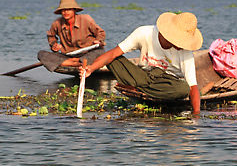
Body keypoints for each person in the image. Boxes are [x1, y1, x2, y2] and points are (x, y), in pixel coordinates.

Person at [67, 11, 203, 115]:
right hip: (143, 76)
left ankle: (137, 89)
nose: (182, 45)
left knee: (183, 89)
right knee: (113, 59)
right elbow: (113, 53)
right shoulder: (144, 33)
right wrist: (91, 69)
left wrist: (196, 114)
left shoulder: (185, 52)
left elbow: (193, 87)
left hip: (166, 83)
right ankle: (141, 88)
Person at [38, 0, 107, 67]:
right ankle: (75, 63)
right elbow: (51, 36)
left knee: (99, 52)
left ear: (74, 10)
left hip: (88, 53)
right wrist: (54, 44)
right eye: (63, 10)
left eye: (69, 9)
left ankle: (71, 62)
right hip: (69, 55)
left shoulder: (86, 19)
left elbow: (100, 32)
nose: (66, 12)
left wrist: (98, 40)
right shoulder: (57, 23)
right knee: (41, 54)